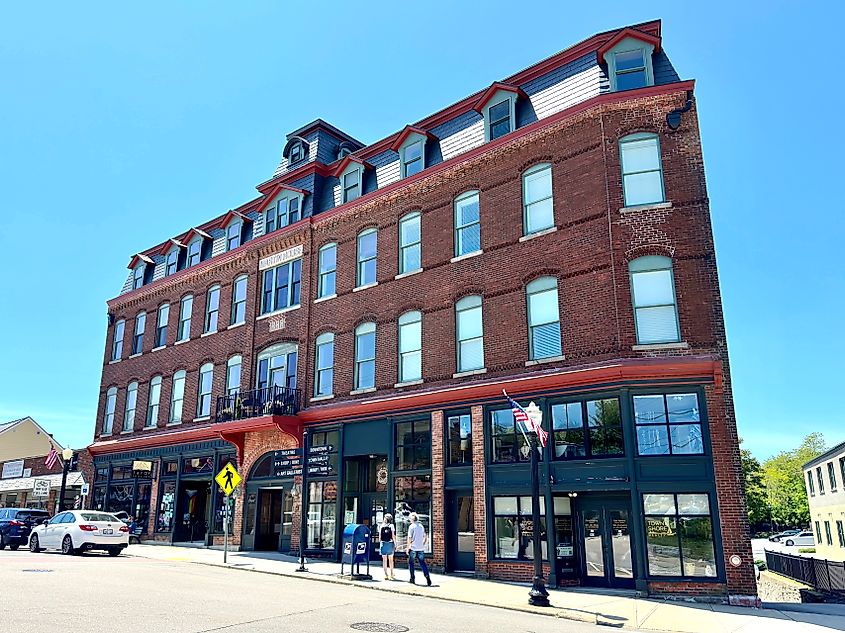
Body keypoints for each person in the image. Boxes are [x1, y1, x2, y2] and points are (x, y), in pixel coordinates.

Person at [405, 512, 431, 586]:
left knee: (411, 563)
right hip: (420, 548)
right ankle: (427, 577)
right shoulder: (421, 526)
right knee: (422, 563)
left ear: (411, 519)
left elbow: (409, 538)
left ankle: (412, 578)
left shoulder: (411, 526)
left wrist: (407, 547)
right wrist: (423, 543)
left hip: (413, 547)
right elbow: (425, 537)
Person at [379, 513, 396, 580]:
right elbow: (393, 536)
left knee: (384, 560)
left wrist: (381, 542)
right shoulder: (391, 526)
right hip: (390, 543)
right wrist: (395, 544)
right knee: (391, 560)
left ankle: (386, 575)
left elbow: (380, 537)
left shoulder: (381, 526)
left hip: (383, 544)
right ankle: (392, 574)